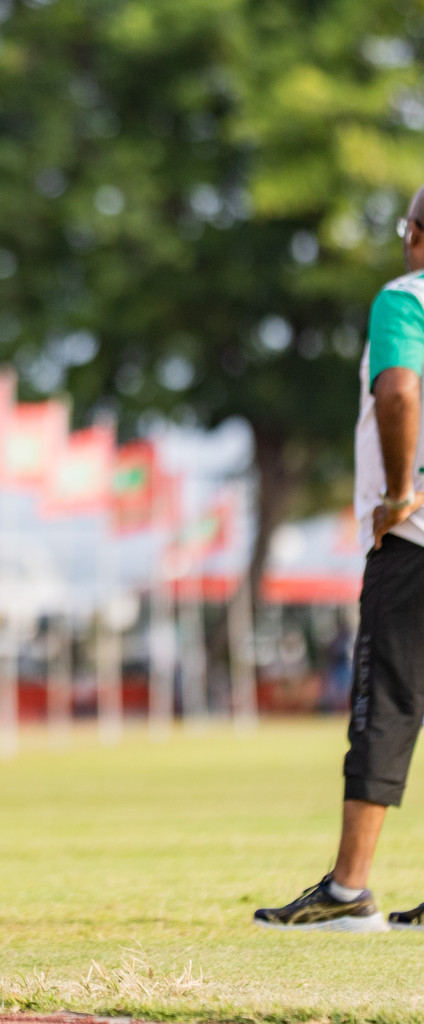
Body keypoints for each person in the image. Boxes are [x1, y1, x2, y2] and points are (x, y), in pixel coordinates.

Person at [255, 186, 424, 932]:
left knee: (383, 703)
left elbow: (399, 394)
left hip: (414, 543)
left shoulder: (405, 297)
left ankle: (349, 891)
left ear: (416, 233)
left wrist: (399, 489)